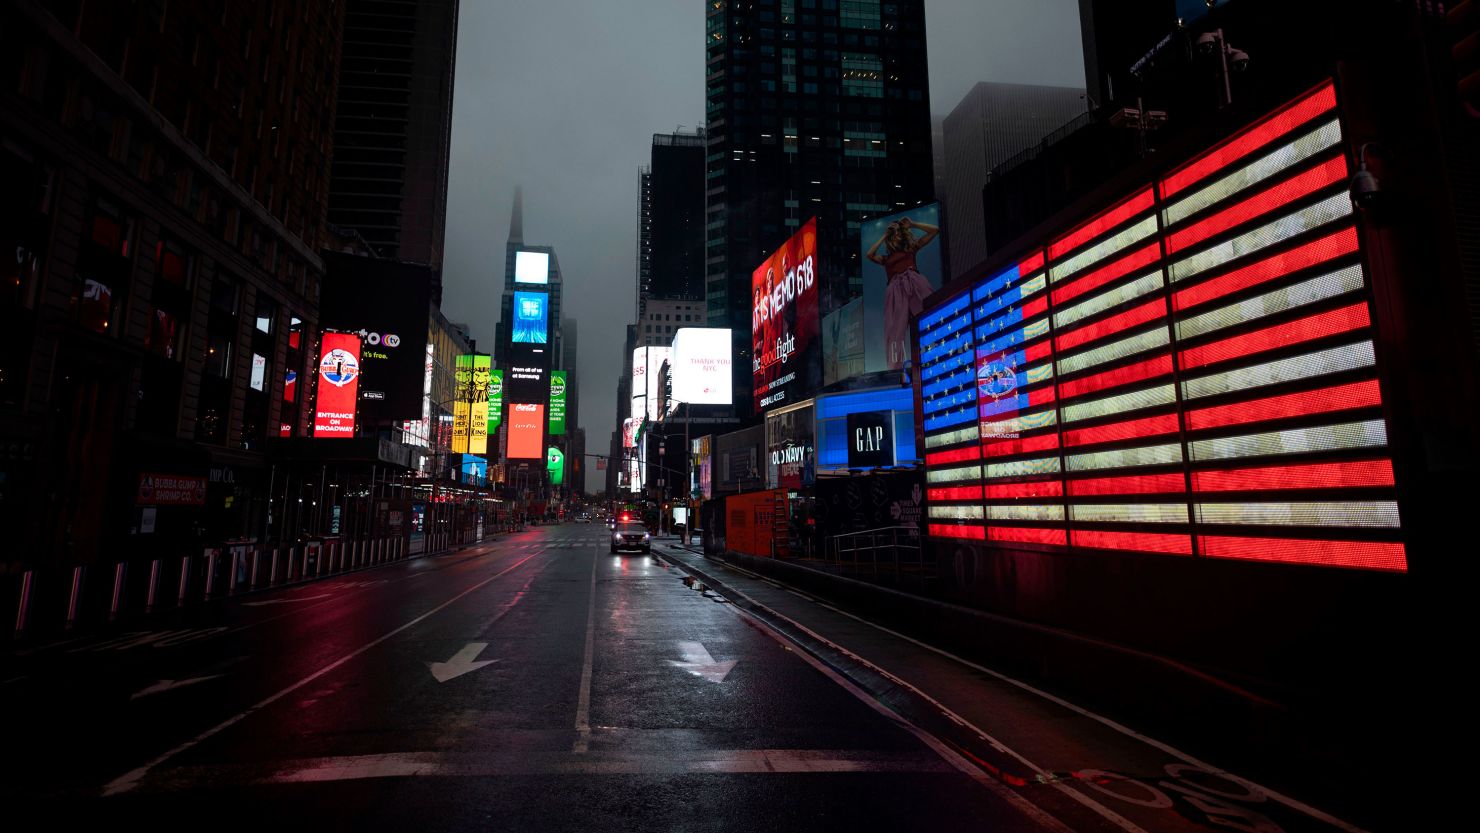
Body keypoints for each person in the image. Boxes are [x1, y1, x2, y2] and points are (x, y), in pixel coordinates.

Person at [866, 216, 940, 370]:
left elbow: (935, 231)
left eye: (899, 233)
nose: (897, 236)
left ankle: (936, 353)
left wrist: (913, 224)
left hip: (914, 282)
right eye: (894, 234)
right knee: (895, 330)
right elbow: (870, 254)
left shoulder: (911, 248)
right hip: (895, 289)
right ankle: (896, 367)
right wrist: (885, 235)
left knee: (928, 316)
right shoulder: (886, 259)